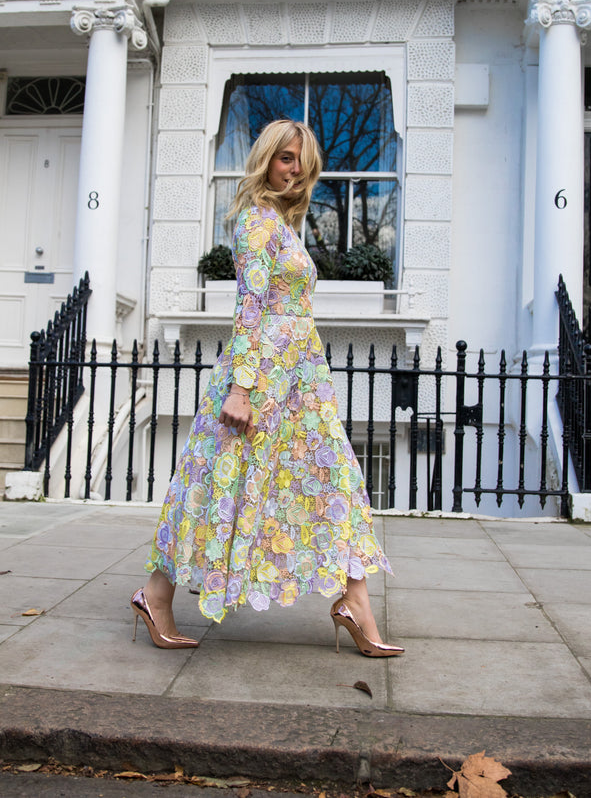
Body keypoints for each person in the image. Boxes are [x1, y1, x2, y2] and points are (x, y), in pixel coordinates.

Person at [131, 119, 403, 658]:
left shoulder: (281, 223)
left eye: (301, 159)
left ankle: (355, 601)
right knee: (216, 483)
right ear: (265, 160)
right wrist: (241, 389)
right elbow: (249, 310)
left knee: (330, 480)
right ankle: (155, 596)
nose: (295, 168)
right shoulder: (257, 222)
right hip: (263, 380)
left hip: (300, 382)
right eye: (285, 157)